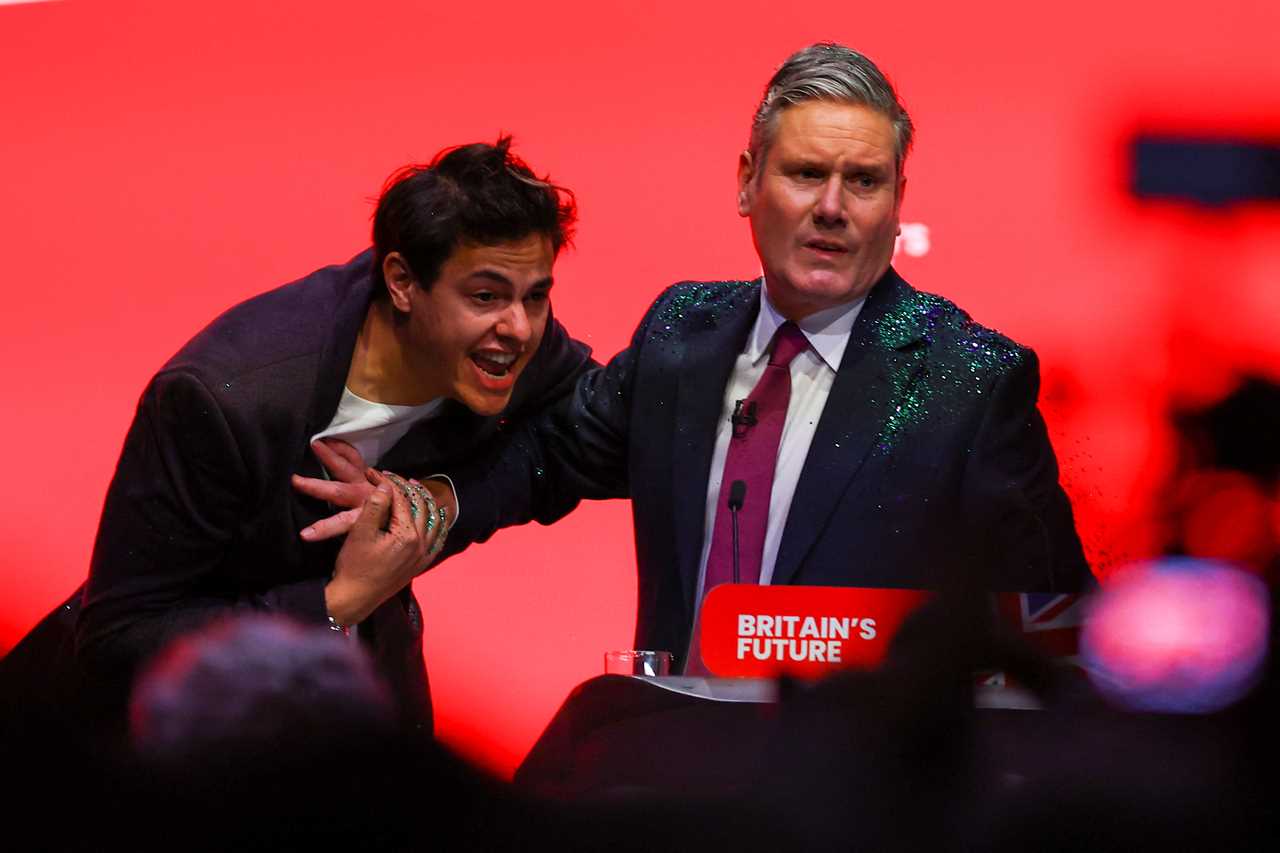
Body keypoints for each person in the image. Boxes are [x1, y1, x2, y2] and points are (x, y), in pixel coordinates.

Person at [302, 44, 1093, 675]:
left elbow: (1052, 621)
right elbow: (546, 457)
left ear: (897, 203)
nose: (832, 206)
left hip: (865, 802)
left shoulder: (970, 379)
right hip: (685, 777)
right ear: (748, 183)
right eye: (807, 173)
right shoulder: (681, 333)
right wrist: (427, 503)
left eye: (864, 181)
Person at [3, 137, 590, 735]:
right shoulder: (222, 399)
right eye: (486, 296)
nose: (518, 327)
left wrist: (442, 501)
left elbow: (594, 434)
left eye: (536, 295)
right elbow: (117, 638)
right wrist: (336, 603)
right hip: (159, 747)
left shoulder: (505, 345)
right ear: (402, 282)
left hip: (358, 693)